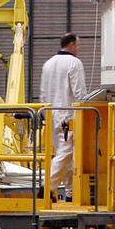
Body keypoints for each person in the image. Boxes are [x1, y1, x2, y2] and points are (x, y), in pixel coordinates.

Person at [39, 32, 87, 194]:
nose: (78, 49)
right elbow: (80, 93)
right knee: (67, 154)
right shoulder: (74, 63)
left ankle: (70, 192)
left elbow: (43, 93)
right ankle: (47, 186)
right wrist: (84, 112)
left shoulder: (48, 64)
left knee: (63, 154)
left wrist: (46, 115)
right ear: (71, 44)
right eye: (78, 45)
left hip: (51, 115)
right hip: (69, 116)